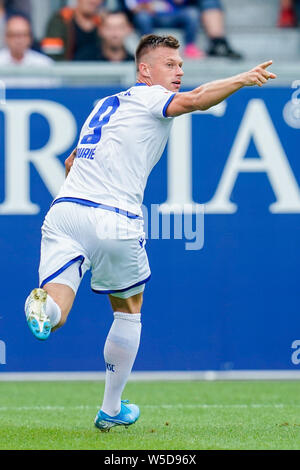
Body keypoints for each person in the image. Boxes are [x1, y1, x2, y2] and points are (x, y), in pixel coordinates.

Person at [24, 34, 276, 432]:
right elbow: (195, 100)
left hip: (65, 211)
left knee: (56, 312)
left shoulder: (105, 106)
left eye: (180, 65)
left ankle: (42, 310)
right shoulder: (148, 97)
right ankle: (110, 408)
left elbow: (72, 160)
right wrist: (242, 79)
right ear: (145, 70)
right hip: (114, 217)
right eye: (170, 64)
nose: (179, 71)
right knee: (128, 310)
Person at [124, 0, 204, 59]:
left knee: (192, 13)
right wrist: (146, 6)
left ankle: (190, 47)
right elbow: (132, 7)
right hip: (151, 16)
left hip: (174, 14)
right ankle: (150, 48)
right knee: (142, 17)